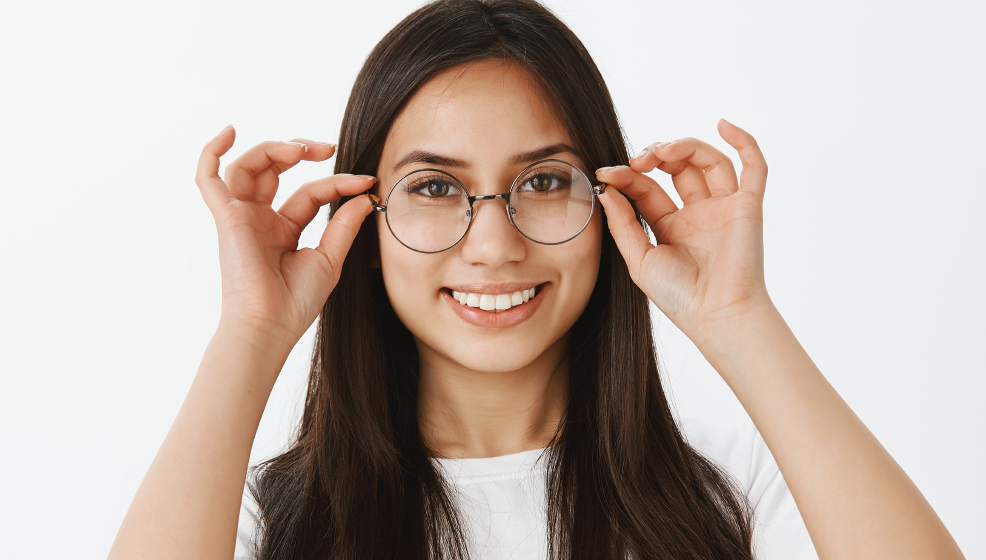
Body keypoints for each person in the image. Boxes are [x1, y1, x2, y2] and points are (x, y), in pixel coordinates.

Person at [107, 1, 965, 559]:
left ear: (610, 204)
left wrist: (740, 317)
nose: (493, 244)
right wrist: (249, 334)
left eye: (546, 182)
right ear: (361, 226)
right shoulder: (264, 519)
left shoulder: (729, 492)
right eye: (436, 188)